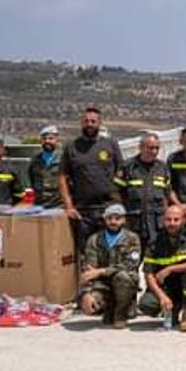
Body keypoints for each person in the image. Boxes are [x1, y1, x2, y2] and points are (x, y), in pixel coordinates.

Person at [60, 107, 124, 258]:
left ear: (100, 123)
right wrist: (68, 207)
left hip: (108, 209)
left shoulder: (111, 144)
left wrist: (118, 202)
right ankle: (87, 281)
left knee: (111, 253)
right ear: (81, 123)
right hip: (83, 211)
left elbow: (121, 172)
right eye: (86, 121)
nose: (90, 124)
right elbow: (62, 177)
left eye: (93, 121)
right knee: (85, 254)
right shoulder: (71, 147)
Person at [138, 205, 186, 332]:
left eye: (176, 220)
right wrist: (161, 297)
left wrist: (171, 269)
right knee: (146, 304)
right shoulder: (155, 241)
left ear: (183, 221)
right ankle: (172, 311)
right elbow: (148, 274)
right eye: (168, 220)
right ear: (163, 220)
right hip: (166, 287)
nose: (172, 223)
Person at [77, 203, 141, 329]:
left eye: (117, 218)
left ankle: (121, 313)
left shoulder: (132, 238)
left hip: (124, 283)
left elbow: (130, 265)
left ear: (123, 220)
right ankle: (109, 309)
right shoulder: (94, 239)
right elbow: (89, 270)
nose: (113, 221)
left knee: (123, 276)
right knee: (91, 306)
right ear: (104, 219)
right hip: (103, 285)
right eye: (109, 218)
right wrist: (85, 294)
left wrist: (101, 271)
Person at [116, 132, 171, 248]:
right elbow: (116, 193)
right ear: (141, 147)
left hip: (157, 225)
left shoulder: (163, 168)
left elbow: (166, 196)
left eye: (157, 148)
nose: (154, 151)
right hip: (134, 223)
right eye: (151, 148)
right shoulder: (128, 167)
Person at [27, 125, 63, 208]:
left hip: (58, 205)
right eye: (44, 139)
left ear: (57, 140)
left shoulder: (64, 159)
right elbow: (32, 180)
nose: (47, 141)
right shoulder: (35, 160)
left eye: (50, 138)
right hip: (39, 204)